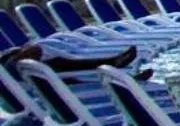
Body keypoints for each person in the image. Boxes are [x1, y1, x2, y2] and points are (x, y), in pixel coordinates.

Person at [1, 43, 147, 76]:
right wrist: (19, 52)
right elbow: (36, 50)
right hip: (37, 75)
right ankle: (114, 64)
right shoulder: (9, 66)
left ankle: (114, 63)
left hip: (33, 74)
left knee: (64, 64)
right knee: (63, 65)